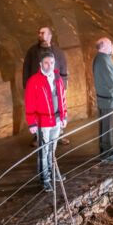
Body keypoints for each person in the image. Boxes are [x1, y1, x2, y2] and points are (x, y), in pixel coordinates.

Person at [24, 50, 67, 190]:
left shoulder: (57, 78)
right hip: (43, 122)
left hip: (56, 120)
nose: (49, 65)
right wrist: (31, 122)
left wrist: (64, 116)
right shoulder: (33, 81)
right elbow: (29, 103)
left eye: (52, 62)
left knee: (52, 149)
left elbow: (62, 98)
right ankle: (45, 178)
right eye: (46, 63)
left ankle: (52, 172)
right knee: (44, 151)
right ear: (40, 64)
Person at [22, 25, 69, 96]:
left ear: (50, 35)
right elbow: (26, 70)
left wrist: (64, 88)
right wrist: (27, 88)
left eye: (42, 33)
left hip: (54, 90)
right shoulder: (32, 51)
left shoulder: (58, 52)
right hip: (36, 90)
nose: (39, 35)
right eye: (39, 33)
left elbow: (63, 72)